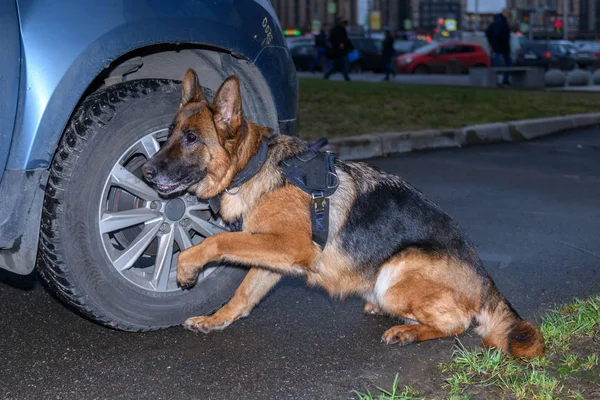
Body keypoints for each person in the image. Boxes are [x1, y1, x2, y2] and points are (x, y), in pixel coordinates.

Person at [486, 8, 512, 86]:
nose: (508, 15)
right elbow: (497, 34)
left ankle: (502, 80)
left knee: (504, 62)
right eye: (507, 13)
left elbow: (489, 32)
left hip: (500, 46)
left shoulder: (499, 21)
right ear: (504, 13)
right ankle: (500, 80)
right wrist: (496, 42)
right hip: (501, 46)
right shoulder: (500, 22)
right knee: (502, 63)